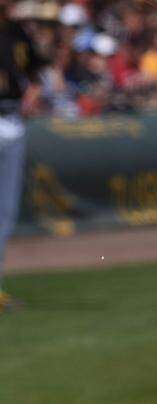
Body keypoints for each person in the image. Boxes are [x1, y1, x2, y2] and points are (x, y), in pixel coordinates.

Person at [0, 0, 44, 313]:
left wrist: (33, 91)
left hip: (13, 120)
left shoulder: (16, 31)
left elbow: (36, 71)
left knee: (5, 211)